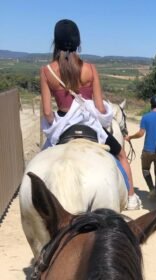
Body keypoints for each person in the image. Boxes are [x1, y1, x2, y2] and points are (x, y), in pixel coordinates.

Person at [40, 19, 141, 210]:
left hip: (63, 128)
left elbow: (47, 113)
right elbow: (101, 109)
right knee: (121, 155)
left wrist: (58, 123)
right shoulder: (90, 69)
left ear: (56, 41)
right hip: (90, 126)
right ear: (78, 42)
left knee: (41, 163)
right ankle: (131, 197)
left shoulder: (46, 71)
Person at [125, 95, 156, 198]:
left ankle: (151, 189)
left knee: (145, 170)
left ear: (151, 105)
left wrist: (130, 137)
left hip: (147, 151)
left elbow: (141, 133)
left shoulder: (145, 117)